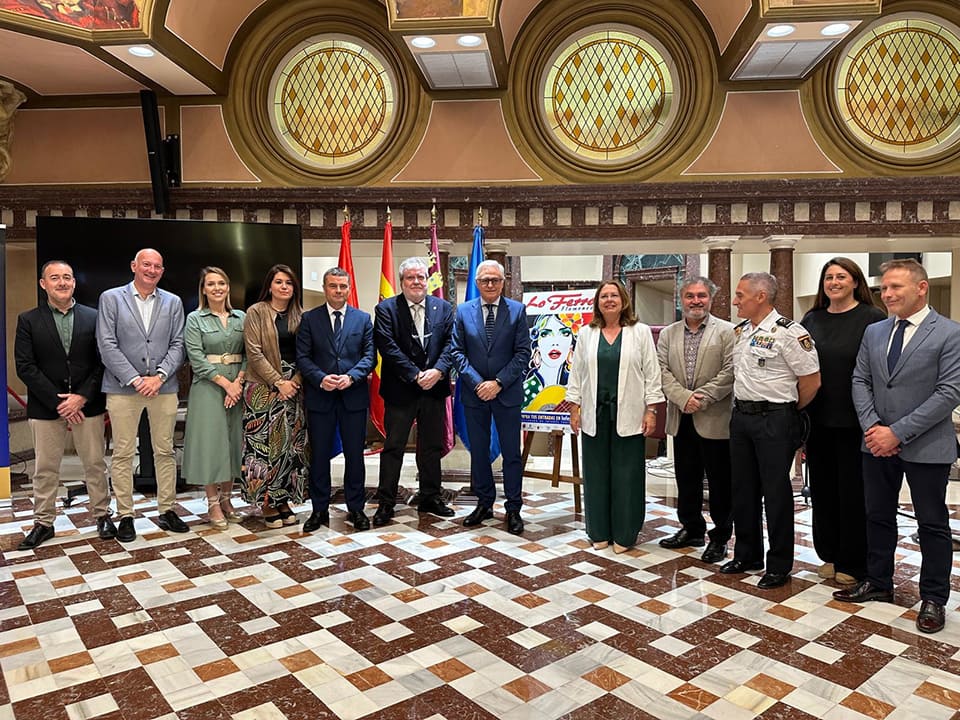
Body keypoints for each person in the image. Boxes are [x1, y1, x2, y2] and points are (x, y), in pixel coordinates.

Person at [838, 258, 960, 634]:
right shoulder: (875, 331)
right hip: (875, 443)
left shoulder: (950, 333)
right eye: (884, 288)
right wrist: (874, 428)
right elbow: (860, 379)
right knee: (876, 516)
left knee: (932, 523)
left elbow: (949, 393)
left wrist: (898, 433)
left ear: (921, 288)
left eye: (895, 288)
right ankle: (878, 582)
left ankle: (934, 598)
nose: (886, 294)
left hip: (927, 446)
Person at [722, 272, 820, 588]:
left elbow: (811, 381)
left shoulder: (790, 334)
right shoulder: (740, 332)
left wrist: (786, 412)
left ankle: (778, 564)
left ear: (760, 296)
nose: (735, 301)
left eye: (740, 295)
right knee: (743, 489)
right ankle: (747, 554)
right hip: (742, 417)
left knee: (775, 492)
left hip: (774, 418)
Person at [14, 260, 112, 550]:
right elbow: (25, 366)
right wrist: (61, 403)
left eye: (67, 277)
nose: (62, 283)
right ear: (43, 284)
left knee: (95, 464)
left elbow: (102, 361)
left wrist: (81, 397)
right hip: (47, 408)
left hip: (88, 404)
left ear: (74, 282)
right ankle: (43, 523)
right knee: (45, 467)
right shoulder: (28, 320)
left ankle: (102, 515)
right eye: (54, 278)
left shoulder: (94, 317)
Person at [800, 258, 885, 585]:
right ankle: (830, 554)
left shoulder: (871, 318)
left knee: (853, 494)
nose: (834, 282)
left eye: (841, 276)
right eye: (829, 277)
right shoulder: (812, 319)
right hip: (818, 420)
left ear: (854, 282)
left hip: (856, 422)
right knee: (823, 492)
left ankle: (853, 560)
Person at [96, 248, 186, 542]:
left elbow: (178, 344)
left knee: (165, 450)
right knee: (122, 452)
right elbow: (106, 344)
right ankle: (125, 515)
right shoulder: (111, 298)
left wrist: (158, 377)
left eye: (157, 266)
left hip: (163, 388)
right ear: (134, 265)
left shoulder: (173, 302)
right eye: (146, 264)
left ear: (162, 271)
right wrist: (136, 380)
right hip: (123, 389)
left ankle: (168, 509)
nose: (151, 270)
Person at [566, 280, 663, 552]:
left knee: (627, 474)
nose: (609, 300)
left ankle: (624, 533)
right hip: (594, 414)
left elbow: (651, 373)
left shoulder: (640, 332)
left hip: (630, 412)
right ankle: (598, 531)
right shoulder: (586, 333)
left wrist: (651, 410)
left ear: (623, 301)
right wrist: (574, 407)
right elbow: (577, 373)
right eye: (604, 296)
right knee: (595, 474)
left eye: (614, 295)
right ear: (597, 302)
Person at [372, 257, 456, 526]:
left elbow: (451, 344)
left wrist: (438, 371)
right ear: (402, 282)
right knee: (393, 446)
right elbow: (387, 346)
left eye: (421, 277)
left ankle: (430, 496)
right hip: (401, 389)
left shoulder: (443, 308)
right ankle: (386, 501)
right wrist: (414, 374)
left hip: (434, 388)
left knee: (431, 447)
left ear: (427, 280)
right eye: (411, 278)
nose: (417, 282)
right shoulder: (386, 309)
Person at [656, 276, 734, 564]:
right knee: (686, 478)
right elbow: (661, 370)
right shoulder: (668, 334)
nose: (696, 301)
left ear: (710, 299)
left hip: (715, 417)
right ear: (681, 299)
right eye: (690, 296)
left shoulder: (726, 332)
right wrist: (682, 398)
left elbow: (730, 371)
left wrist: (700, 397)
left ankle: (721, 537)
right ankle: (691, 529)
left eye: (701, 295)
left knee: (719, 482)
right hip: (681, 416)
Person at [450, 259, 531, 535]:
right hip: (475, 396)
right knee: (479, 453)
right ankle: (484, 503)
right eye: (485, 280)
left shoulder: (517, 311)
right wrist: (477, 383)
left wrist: (497, 383)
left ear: (503, 281)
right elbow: (457, 353)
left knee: (511, 454)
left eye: (495, 280)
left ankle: (514, 508)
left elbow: (522, 354)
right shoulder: (462, 312)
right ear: (477, 283)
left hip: (506, 394)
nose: (490, 285)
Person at [297, 267, 375, 532]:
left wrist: (351, 377)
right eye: (333, 286)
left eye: (343, 286)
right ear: (325, 288)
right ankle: (319, 509)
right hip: (321, 397)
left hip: (353, 397)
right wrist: (320, 377)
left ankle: (357, 508)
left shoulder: (363, 319)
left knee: (355, 456)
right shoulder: (310, 319)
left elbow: (369, 357)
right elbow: (303, 357)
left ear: (349, 288)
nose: (338, 291)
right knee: (319, 456)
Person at [241, 264, 309, 529]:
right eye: (279, 282)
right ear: (269, 285)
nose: (284, 287)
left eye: (289, 283)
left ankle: (284, 500)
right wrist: (278, 382)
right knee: (264, 448)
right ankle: (267, 502)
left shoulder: (300, 316)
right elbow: (254, 353)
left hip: (294, 388)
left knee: (290, 448)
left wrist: (295, 382)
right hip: (262, 388)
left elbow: (307, 354)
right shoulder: (256, 312)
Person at [182, 267, 246, 530]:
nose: (217, 288)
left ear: (228, 287)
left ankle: (228, 499)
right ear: (204, 289)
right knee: (212, 444)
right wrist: (225, 384)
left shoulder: (241, 317)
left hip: (237, 385)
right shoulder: (195, 319)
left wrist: (238, 383)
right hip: (208, 387)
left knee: (232, 442)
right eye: (211, 284)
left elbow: (251, 351)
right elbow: (195, 358)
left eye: (222, 283)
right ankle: (212, 502)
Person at [522, 313, 576, 407]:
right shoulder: (528, 390)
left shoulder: (574, 386)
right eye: (545, 334)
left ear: (571, 344)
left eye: (564, 333)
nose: (555, 343)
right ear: (536, 345)